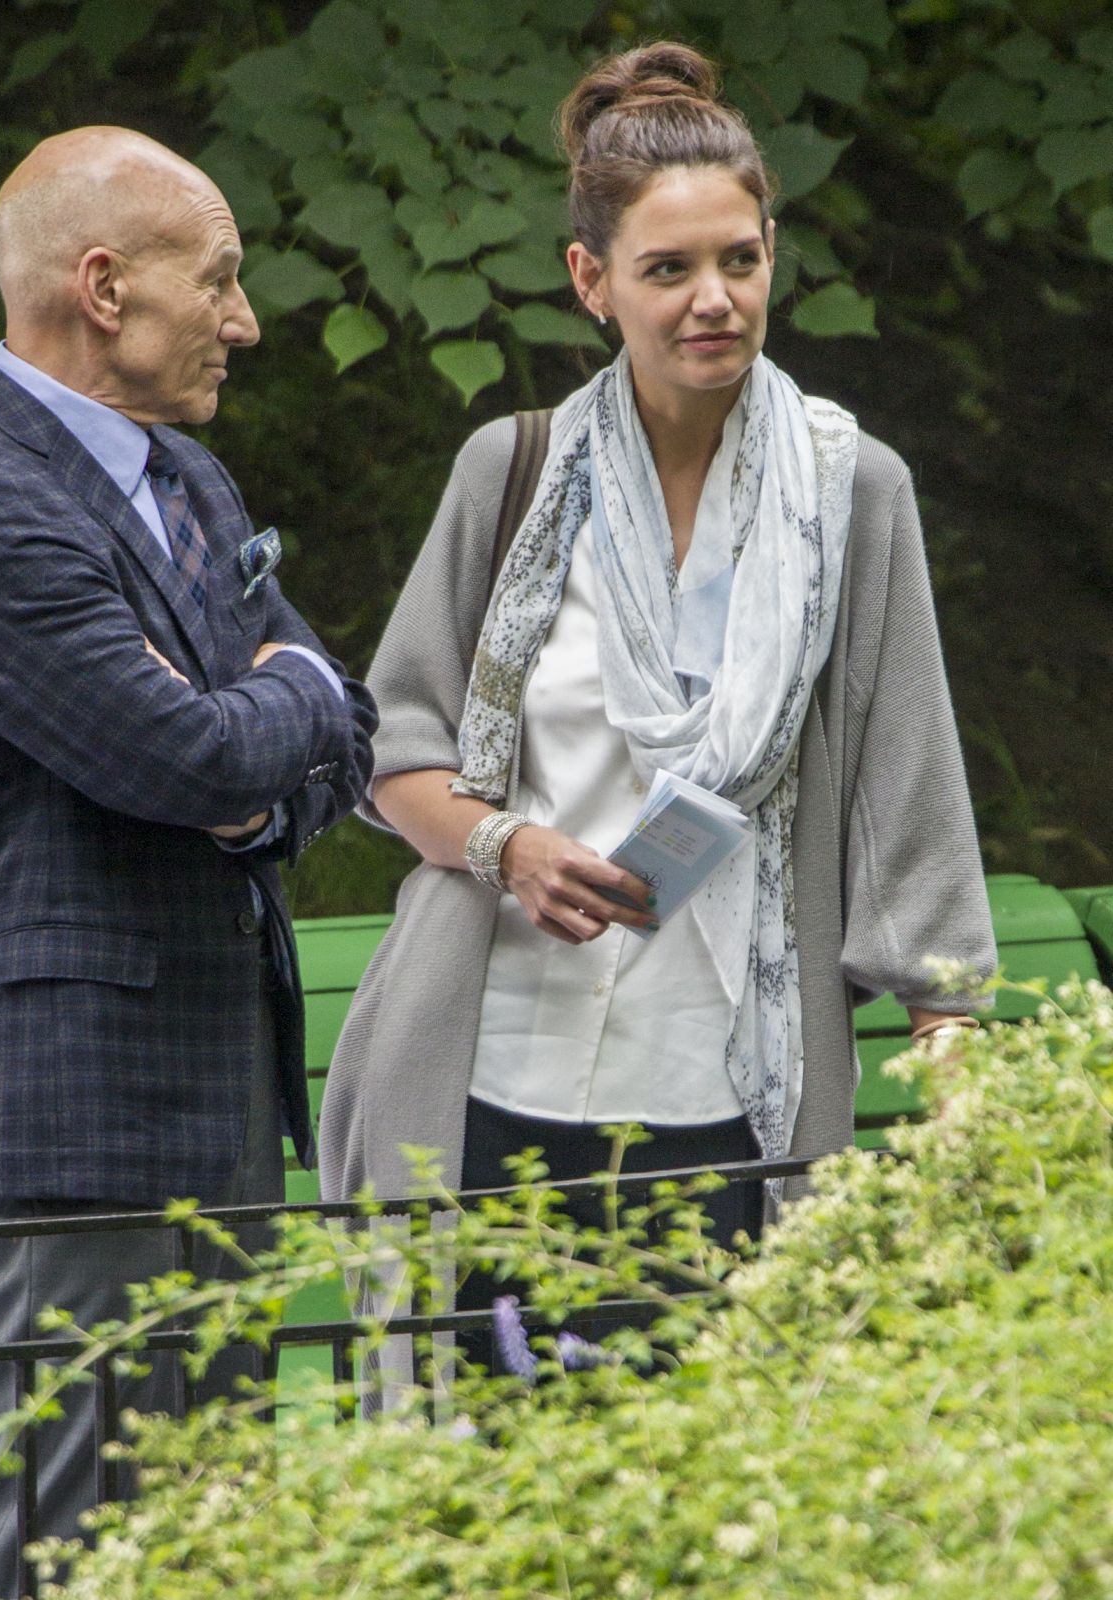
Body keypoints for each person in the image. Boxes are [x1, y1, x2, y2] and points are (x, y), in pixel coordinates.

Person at [319, 44, 995, 1355]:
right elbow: (390, 740)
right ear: (593, 282)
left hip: (732, 1088)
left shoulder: (853, 493)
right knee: (494, 1494)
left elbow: (905, 785)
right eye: (669, 269)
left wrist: (948, 1020)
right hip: (491, 1064)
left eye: (740, 260)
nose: (715, 301)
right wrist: (503, 844)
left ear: (772, 253)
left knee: (708, 1486)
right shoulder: (509, 473)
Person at [0, 127, 376, 1597]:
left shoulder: (189, 480)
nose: (244, 319)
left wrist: (257, 760)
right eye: (218, 281)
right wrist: (260, 730)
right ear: (103, 287)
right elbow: (197, 755)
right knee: (57, 1548)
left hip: (219, 1099)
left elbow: (340, 730)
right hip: (80, 1134)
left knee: (203, 1550)